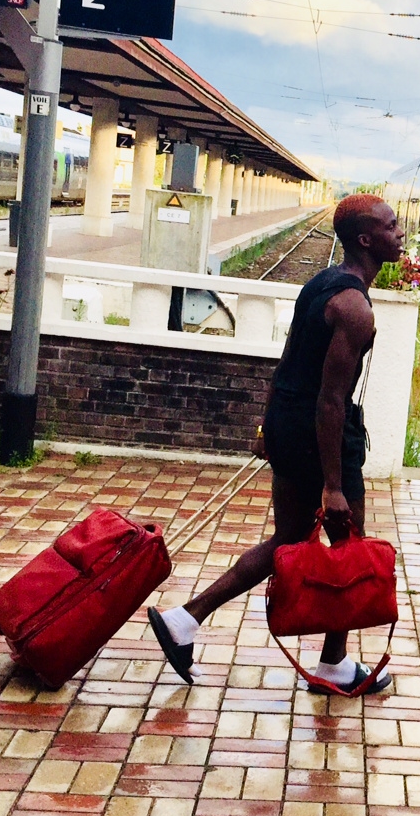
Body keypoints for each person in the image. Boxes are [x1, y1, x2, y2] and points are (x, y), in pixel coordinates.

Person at [147, 193, 405, 694]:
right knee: (349, 549)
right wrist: (334, 485)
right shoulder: (354, 308)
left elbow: (285, 363)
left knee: (287, 539)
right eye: (391, 226)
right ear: (365, 239)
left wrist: (267, 428)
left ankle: (184, 620)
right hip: (320, 437)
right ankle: (334, 665)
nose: (400, 234)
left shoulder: (320, 284)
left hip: (289, 424)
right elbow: (330, 400)